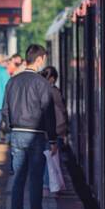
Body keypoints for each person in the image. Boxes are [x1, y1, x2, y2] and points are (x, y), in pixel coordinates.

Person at [1, 44, 59, 209]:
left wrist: (11, 128)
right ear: (40, 59)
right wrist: (52, 140)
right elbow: (48, 113)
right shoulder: (42, 84)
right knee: (35, 181)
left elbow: (5, 110)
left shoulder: (12, 82)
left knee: (17, 181)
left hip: (17, 134)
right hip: (36, 135)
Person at [42, 65, 69, 195]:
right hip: (55, 129)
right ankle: (50, 186)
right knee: (52, 159)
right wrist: (64, 129)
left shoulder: (39, 89)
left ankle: (48, 185)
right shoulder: (54, 92)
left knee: (48, 158)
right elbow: (62, 112)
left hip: (43, 129)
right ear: (52, 78)